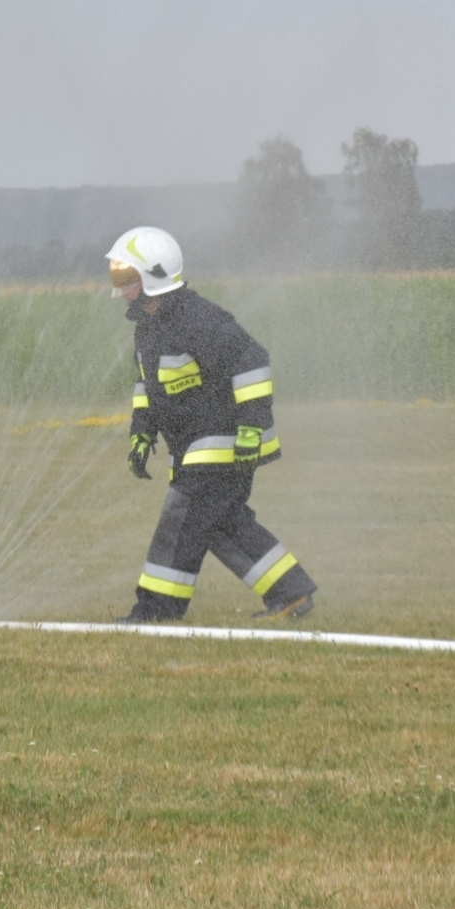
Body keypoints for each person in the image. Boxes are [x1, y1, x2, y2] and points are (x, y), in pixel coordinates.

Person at [106, 226, 317, 624]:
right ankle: (291, 591)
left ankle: (156, 610)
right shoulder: (148, 330)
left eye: (125, 277)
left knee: (181, 518)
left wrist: (252, 429)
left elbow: (252, 361)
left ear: (151, 277)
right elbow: (148, 388)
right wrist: (141, 433)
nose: (119, 286)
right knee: (220, 524)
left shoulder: (198, 319)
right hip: (195, 446)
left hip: (227, 439)